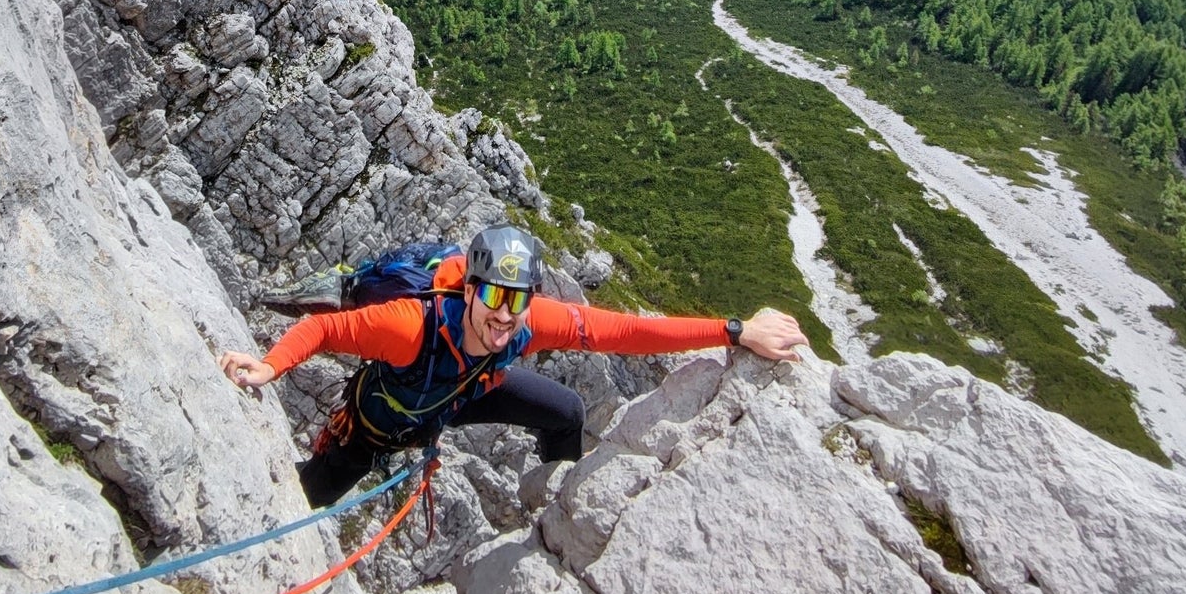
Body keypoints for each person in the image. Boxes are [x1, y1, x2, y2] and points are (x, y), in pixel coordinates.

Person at [220, 223, 810, 506]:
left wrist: (735, 330)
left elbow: (628, 331)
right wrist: (270, 367)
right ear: (470, 290)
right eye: (495, 297)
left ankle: (555, 495)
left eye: (518, 299)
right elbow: (325, 329)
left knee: (566, 412)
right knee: (312, 495)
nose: (506, 315)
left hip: (464, 393)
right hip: (381, 423)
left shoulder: (524, 323)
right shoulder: (409, 328)